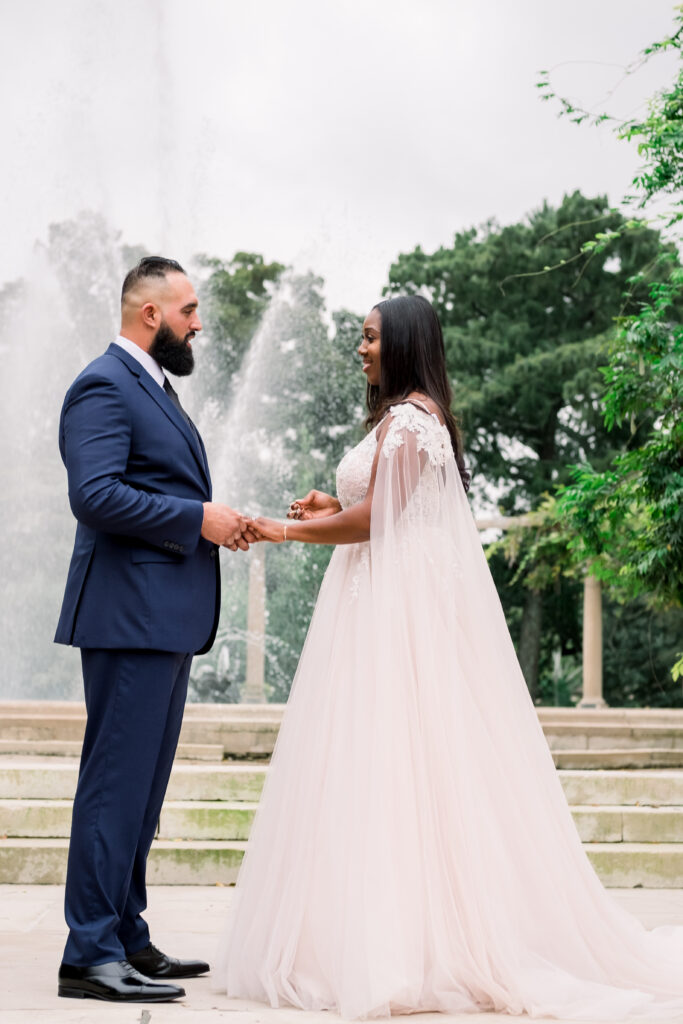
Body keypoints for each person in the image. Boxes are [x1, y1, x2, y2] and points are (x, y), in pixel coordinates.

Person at [216, 295, 683, 1019]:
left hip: (386, 618)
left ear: (401, 343)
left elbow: (375, 523)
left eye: (370, 339)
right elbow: (380, 509)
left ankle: (408, 947)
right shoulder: (412, 420)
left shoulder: (409, 421)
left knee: (392, 768)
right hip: (373, 609)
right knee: (381, 770)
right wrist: (321, 506)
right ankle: (384, 934)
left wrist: (277, 531)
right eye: (360, 339)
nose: (360, 350)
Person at [55, 256, 252, 1003]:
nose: (197, 322)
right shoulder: (104, 383)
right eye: (189, 309)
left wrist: (207, 522)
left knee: (141, 790)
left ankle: (126, 933)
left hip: (161, 619)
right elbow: (95, 495)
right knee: (114, 785)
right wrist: (196, 519)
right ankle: (90, 952)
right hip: (127, 616)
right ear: (151, 315)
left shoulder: (152, 387)